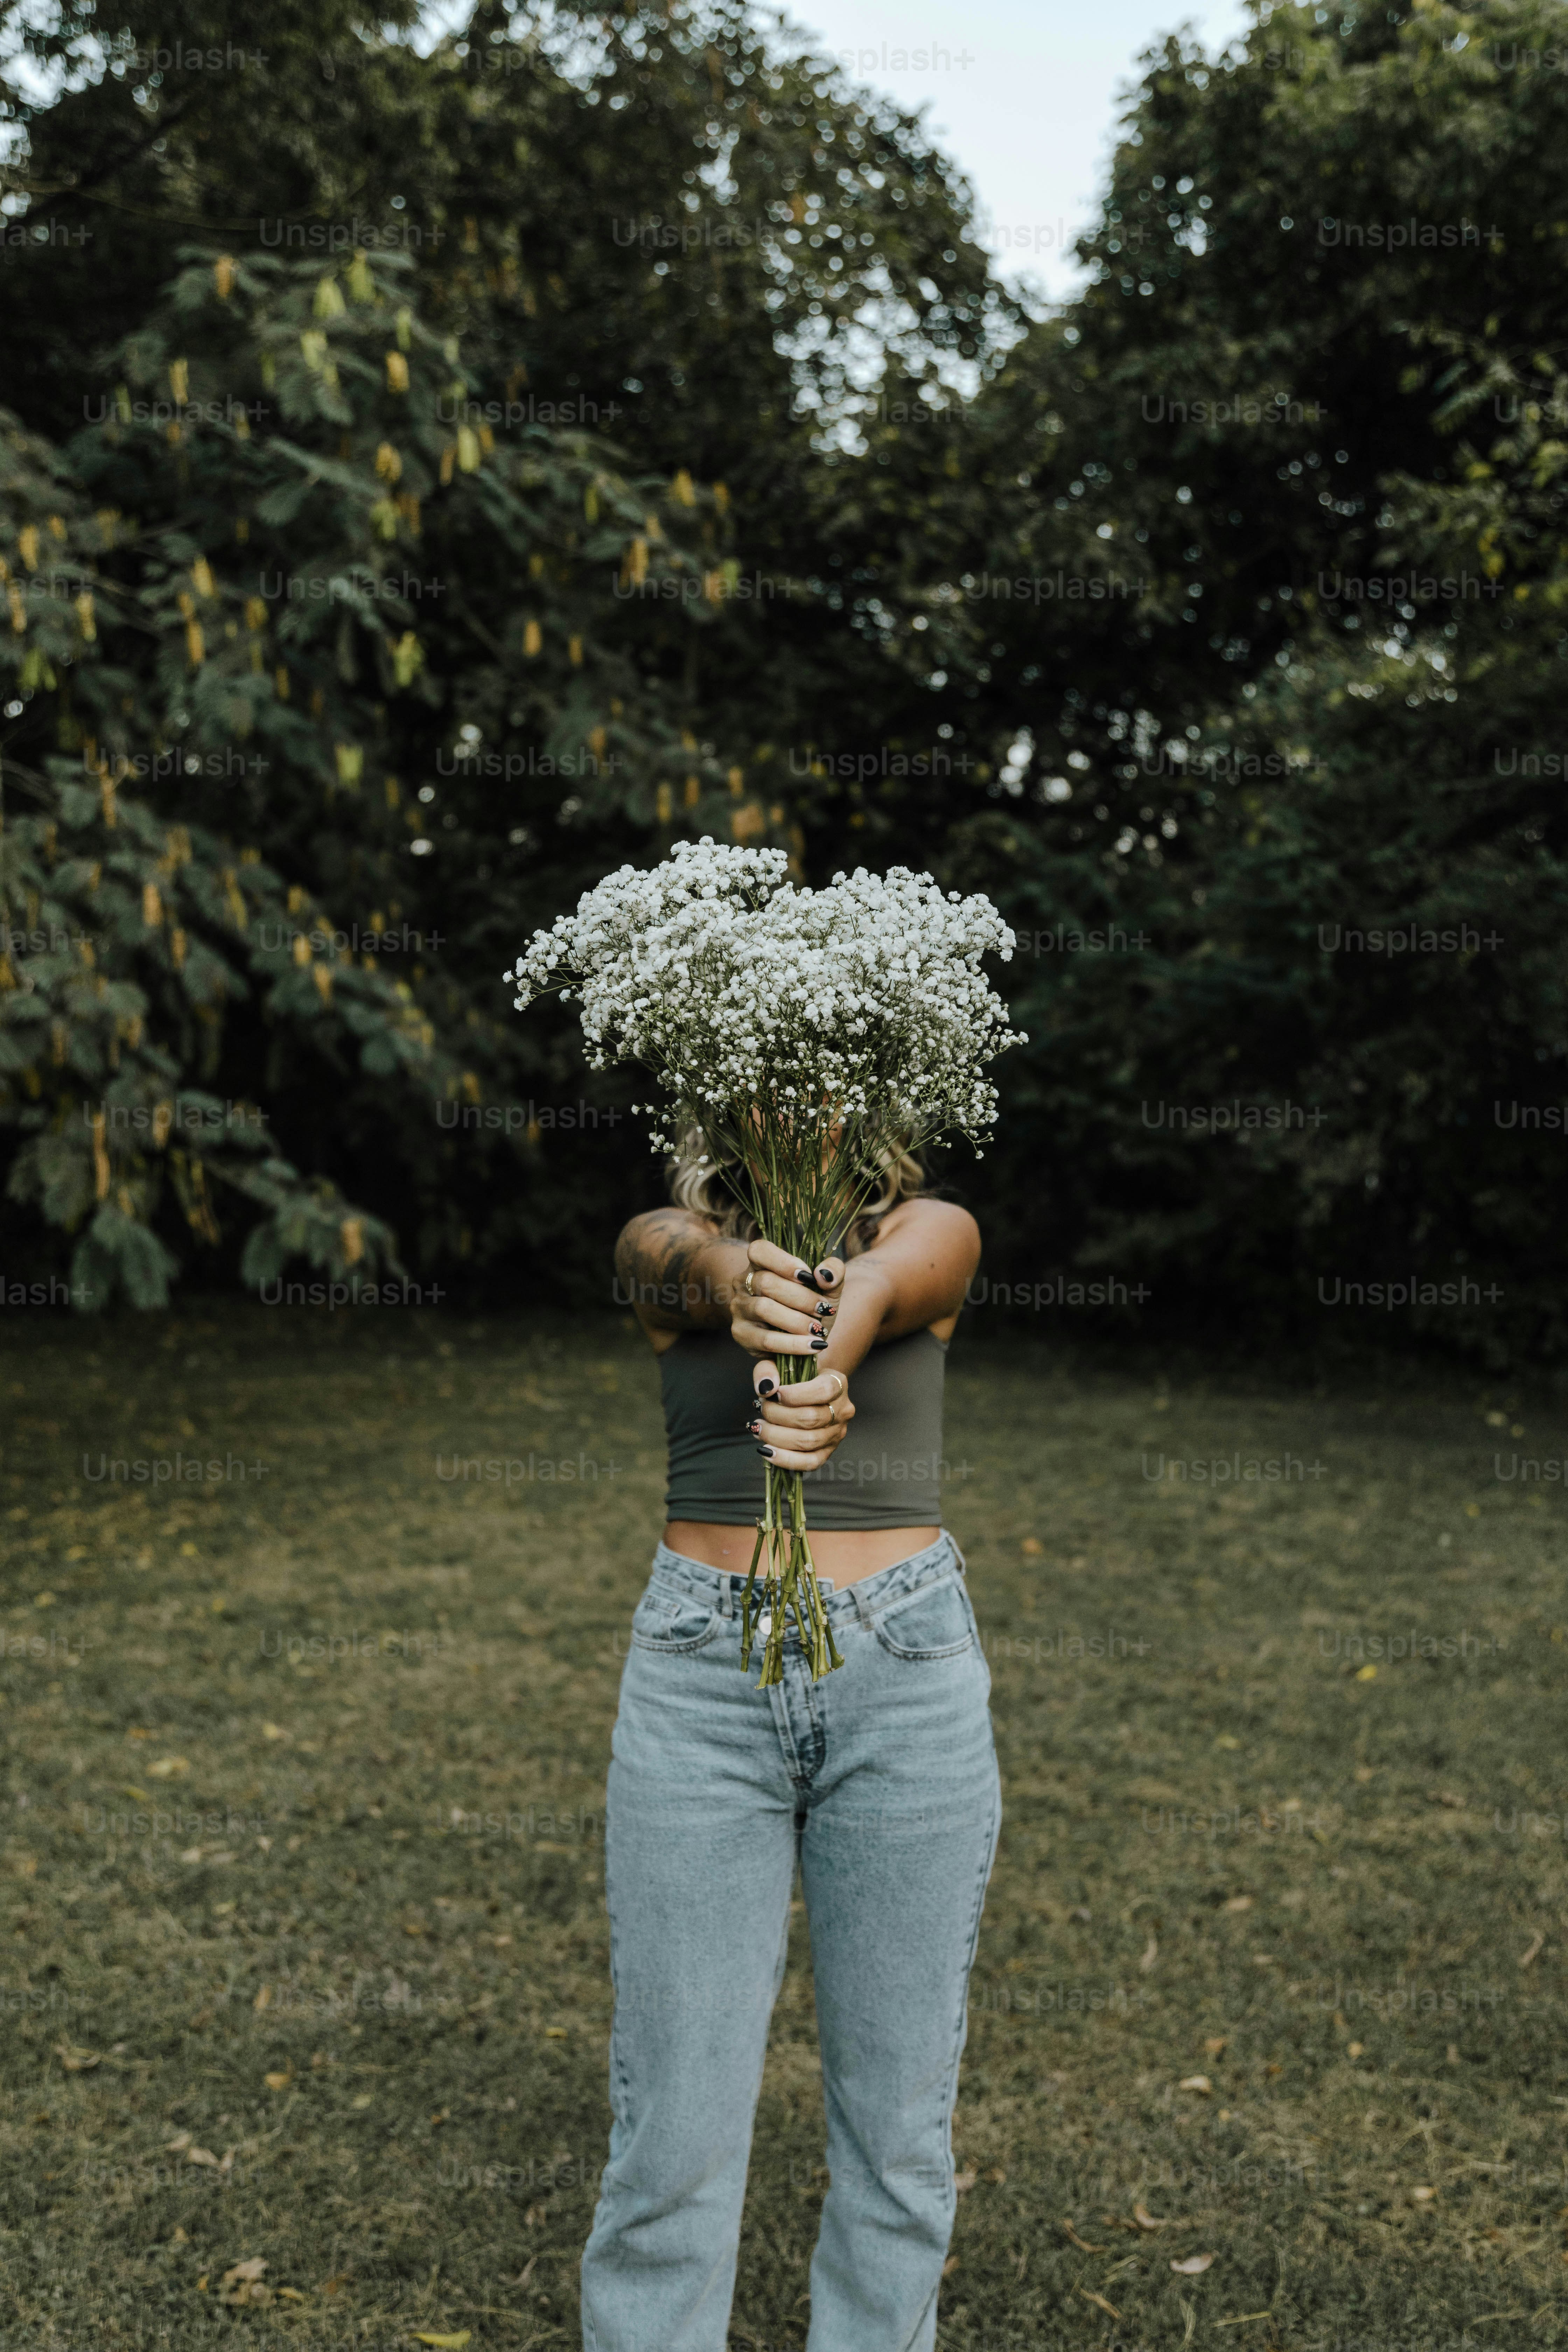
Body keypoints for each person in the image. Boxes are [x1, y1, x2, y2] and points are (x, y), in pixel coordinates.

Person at [580, 1132, 1000, 2352]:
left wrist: (826, 1359)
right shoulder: (668, 1245)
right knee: (674, 2128)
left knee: (900, 2132)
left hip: (907, 1674)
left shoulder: (938, 1229)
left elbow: (887, 1279)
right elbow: (676, 1266)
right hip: (701, 1683)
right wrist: (739, 1289)